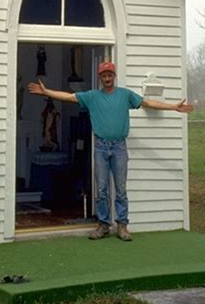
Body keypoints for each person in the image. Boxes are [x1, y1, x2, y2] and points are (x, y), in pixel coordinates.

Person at [28, 61, 194, 241]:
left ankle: (122, 226)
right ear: (100, 78)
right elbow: (69, 97)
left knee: (121, 189)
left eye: (110, 75)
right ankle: (103, 225)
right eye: (103, 76)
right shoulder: (92, 97)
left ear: (114, 76)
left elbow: (147, 103)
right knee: (101, 189)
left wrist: (173, 107)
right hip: (101, 147)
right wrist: (46, 92)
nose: (107, 78)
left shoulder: (125, 95)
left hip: (119, 147)